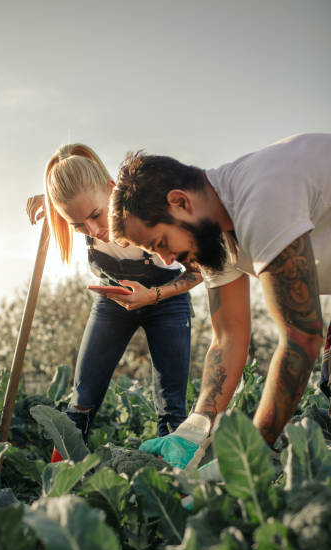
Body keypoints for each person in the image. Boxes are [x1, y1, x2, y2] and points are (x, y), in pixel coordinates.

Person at [109, 132, 331, 469]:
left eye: (161, 243)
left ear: (180, 202)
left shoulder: (260, 198)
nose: (169, 260)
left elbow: (302, 336)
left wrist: (247, 458)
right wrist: (196, 427)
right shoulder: (215, 235)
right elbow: (227, 337)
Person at [27, 143, 203, 450]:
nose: (93, 229)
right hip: (113, 303)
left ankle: (173, 481)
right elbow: (77, 207)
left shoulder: (151, 208)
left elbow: (199, 271)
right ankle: (62, 479)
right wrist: (52, 201)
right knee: (82, 399)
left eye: (96, 214)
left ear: (112, 189)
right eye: (78, 225)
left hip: (166, 301)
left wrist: (153, 295)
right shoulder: (83, 214)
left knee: (171, 402)